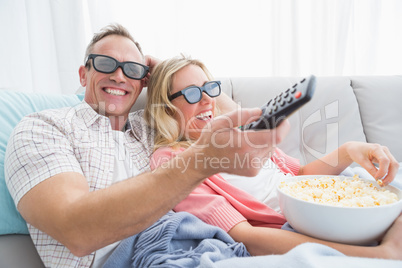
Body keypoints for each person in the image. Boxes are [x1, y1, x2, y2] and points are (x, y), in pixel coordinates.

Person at [4, 23, 291, 267]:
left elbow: (213, 106)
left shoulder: (151, 126)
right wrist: (200, 161)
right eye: (105, 64)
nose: (119, 76)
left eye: (131, 69)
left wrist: (165, 69)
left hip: (204, 242)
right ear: (83, 74)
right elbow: (76, 230)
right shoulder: (43, 128)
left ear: (143, 81)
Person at [144, 55, 402, 258]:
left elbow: (299, 175)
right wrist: (378, 255)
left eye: (209, 89)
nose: (206, 101)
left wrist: (349, 151)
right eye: (191, 93)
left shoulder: (237, 135)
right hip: (294, 225)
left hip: (316, 206)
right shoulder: (173, 161)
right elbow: (245, 235)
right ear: (166, 107)